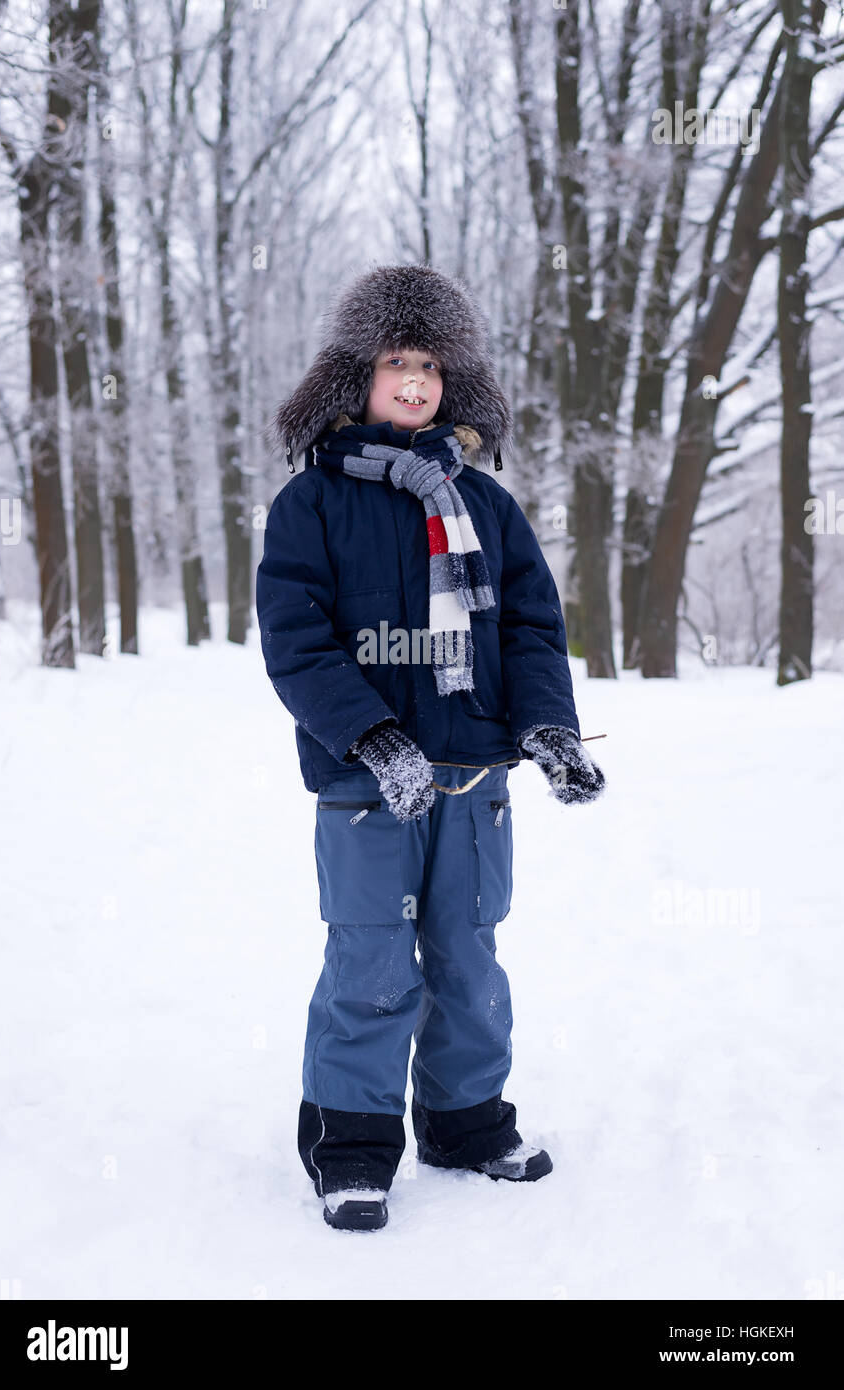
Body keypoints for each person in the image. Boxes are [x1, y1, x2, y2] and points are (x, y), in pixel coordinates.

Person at [256, 263, 605, 1232]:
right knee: (372, 963)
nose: (416, 380)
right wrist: (371, 737)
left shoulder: (486, 506)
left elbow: (530, 626)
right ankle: (353, 1148)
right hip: (368, 785)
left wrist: (548, 729)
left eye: (433, 364)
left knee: (468, 957)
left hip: (475, 779)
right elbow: (298, 638)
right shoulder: (313, 505)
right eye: (396, 360)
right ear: (353, 376)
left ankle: (465, 1121)